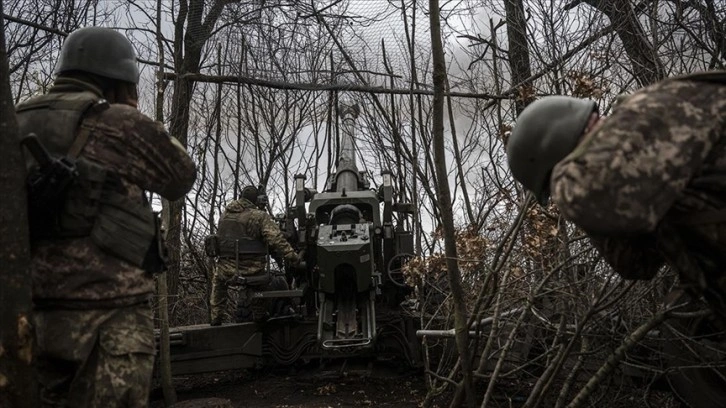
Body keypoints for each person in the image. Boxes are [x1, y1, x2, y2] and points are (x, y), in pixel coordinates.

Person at [16, 27, 197, 407]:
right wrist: (133, 117)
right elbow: (180, 176)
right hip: (109, 321)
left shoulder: (14, 123)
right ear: (117, 81)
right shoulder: (116, 121)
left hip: (29, 320)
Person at [506, 71, 726, 323]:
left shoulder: (646, 116)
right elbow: (634, 264)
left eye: (555, 184)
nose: (559, 198)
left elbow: (579, 193)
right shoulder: (632, 174)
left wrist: (565, 183)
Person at [209, 185, 301, 325]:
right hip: (251, 269)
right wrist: (293, 258)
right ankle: (259, 316)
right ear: (256, 200)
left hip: (225, 270)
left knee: (218, 283)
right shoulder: (259, 216)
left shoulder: (225, 215)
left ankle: (216, 318)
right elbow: (276, 239)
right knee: (266, 281)